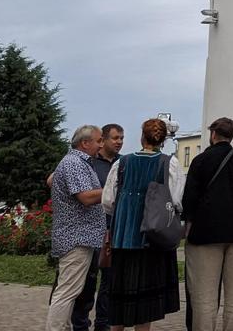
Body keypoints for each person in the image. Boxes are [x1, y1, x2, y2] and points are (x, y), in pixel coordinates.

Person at [102, 118, 185, 331]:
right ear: (163, 140)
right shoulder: (169, 163)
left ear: (142, 137)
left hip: (123, 237)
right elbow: (176, 200)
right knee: (145, 301)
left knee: (119, 296)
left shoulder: (123, 162)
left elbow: (108, 201)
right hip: (152, 237)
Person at [182, 117, 233, 331]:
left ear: (213, 134)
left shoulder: (201, 160)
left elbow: (189, 199)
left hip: (205, 235)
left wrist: (188, 223)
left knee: (204, 298)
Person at [47, 126, 106, 331]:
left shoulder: (78, 162)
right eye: (99, 140)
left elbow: (52, 181)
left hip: (80, 237)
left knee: (70, 290)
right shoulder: (74, 163)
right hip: (76, 239)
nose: (101, 144)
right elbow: (85, 197)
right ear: (85, 143)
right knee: (67, 292)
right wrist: (113, 188)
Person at [72, 123, 125, 331]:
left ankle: (103, 324)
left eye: (122, 138)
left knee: (110, 282)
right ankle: (80, 325)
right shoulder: (88, 162)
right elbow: (55, 180)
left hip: (115, 229)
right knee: (87, 282)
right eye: (115, 138)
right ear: (102, 140)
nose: (119, 142)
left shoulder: (124, 163)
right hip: (91, 230)